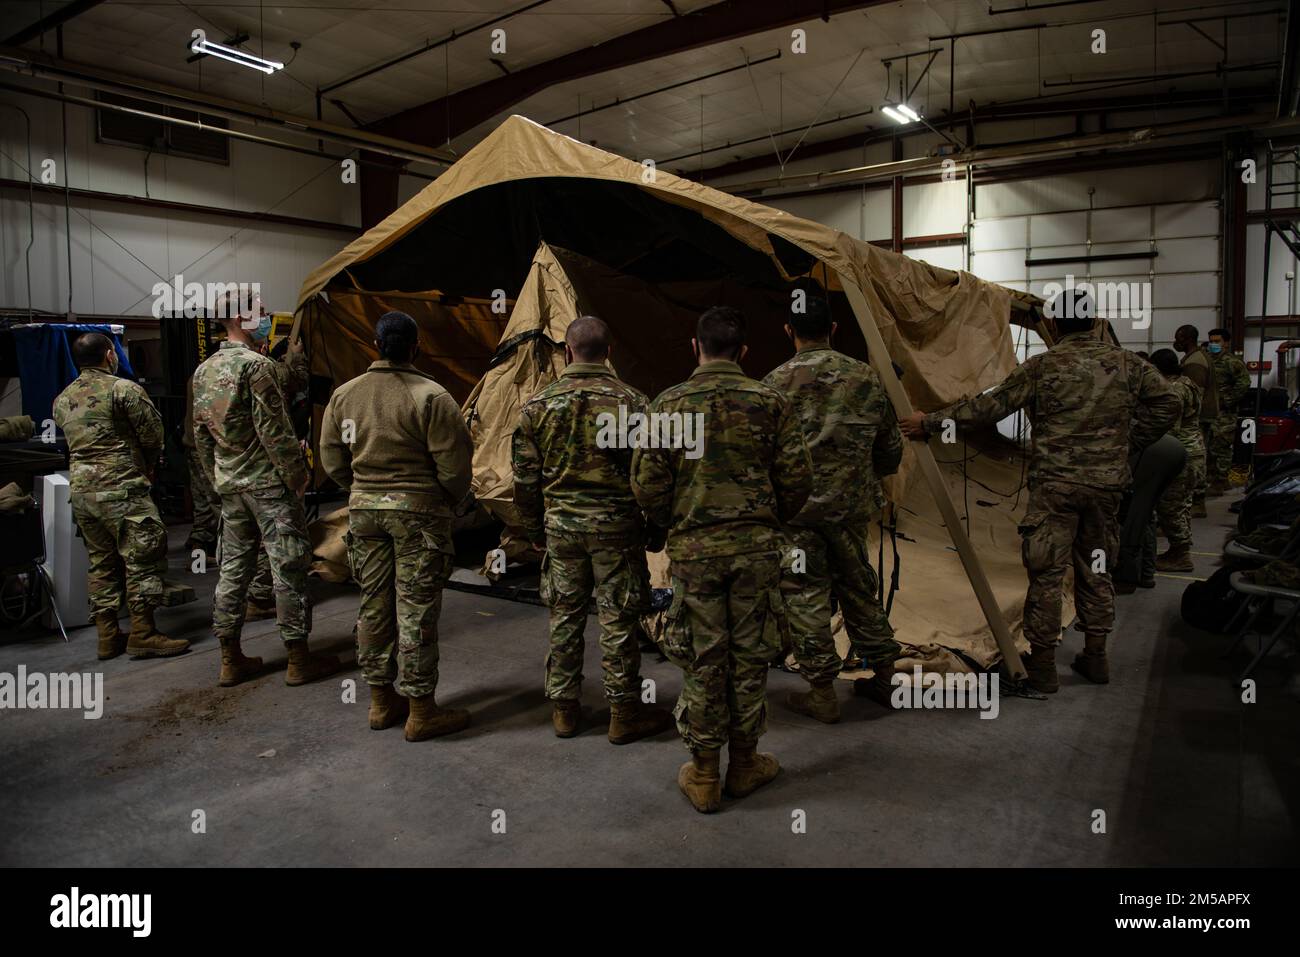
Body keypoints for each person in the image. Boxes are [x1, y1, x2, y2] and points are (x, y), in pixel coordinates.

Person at [899, 291, 1179, 692]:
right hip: (1105, 488)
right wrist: (1123, 443)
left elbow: (987, 409)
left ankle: (1044, 668)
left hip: (1056, 488)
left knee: (1047, 573)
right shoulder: (1128, 364)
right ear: (1093, 320)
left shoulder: (1043, 366)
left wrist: (930, 423)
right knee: (1097, 569)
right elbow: (1169, 404)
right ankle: (1097, 657)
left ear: (1055, 324)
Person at [632, 306, 812, 813]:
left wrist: (677, 520)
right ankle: (746, 764)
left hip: (694, 554)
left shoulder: (667, 407)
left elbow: (647, 486)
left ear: (696, 347)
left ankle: (705, 773)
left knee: (704, 655)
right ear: (745, 352)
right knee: (752, 655)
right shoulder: (771, 403)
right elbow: (798, 481)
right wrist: (767, 520)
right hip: (756, 552)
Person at [512, 315, 673, 744]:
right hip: (617, 530)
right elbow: (652, 476)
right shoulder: (635, 404)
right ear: (609, 351)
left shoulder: (537, 405)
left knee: (564, 616)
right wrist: (657, 530)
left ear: (568, 351)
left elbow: (525, 480)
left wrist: (533, 531)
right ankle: (623, 714)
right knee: (619, 619)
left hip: (561, 529)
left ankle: (564, 710)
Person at [320, 311, 475, 741]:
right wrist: (441, 499)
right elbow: (455, 468)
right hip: (418, 514)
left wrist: (363, 490)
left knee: (373, 603)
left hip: (364, 513)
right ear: (416, 346)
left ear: (376, 344)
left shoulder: (344, 396)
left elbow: (332, 461)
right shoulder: (432, 397)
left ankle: (381, 702)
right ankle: (422, 711)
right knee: (416, 607)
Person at [761, 294, 903, 722]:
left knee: (804, 594)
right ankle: (883, 677)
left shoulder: (772, 384)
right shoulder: (867, 378)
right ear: (834, 329)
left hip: (798, 517)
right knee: (859, 586)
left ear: (789, 331)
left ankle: (822, 692)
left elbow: (763, 455)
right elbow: (889, 451)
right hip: (850, 511)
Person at [192, 300, 339, 688]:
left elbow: (201, 436)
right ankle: (297, 658)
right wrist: (297, 475)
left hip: (231, 488)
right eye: (260, 313)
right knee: (288, 568)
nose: (267, 319)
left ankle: (230, 658)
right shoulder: (256, 367)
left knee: (232, 571)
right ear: (240, 319)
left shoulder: (203, 371)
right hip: (269, 487)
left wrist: (218, 479)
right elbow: (274, 429)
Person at [53, 333, 190, 661]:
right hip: (122, 489)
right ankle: (143, 633)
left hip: (83, 494)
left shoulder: (61, 399)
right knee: (141, 559)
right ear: (110, 355)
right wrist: (147, 466)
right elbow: (153, 435)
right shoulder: (123, 390)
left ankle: (108, 636)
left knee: (101, 563)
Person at [1148, 348, 1204, 573]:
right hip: (1195, 450)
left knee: (1169, 505)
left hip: (1181, 453)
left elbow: (1170, 427)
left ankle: (1180, 554)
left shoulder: (1174, 390)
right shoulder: (1187, 383)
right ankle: (1180, 549)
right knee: (1183, 504)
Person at [1173, 324, 1219, 518]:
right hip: (1200, 415)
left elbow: (1194, 393)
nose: (1176, 341)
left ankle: (1197, 502)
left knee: (1195, 459)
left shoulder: (1195, 362)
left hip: (1196, 417)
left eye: (1178, 338)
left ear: (1187, 338)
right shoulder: (1196, 357)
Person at [1205, 328, 1249, 495]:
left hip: (1225, 414)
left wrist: (1227, 400)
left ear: (1226, 343)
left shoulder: (1232, 362)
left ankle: (1221, 481)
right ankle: (1213, 478)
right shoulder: (1208, 360)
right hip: (1210, 412)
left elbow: (1244, 383)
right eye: (1211, 341)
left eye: (1217, 341)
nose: (1213, 344)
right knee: (1209, 446)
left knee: (1222, 446)